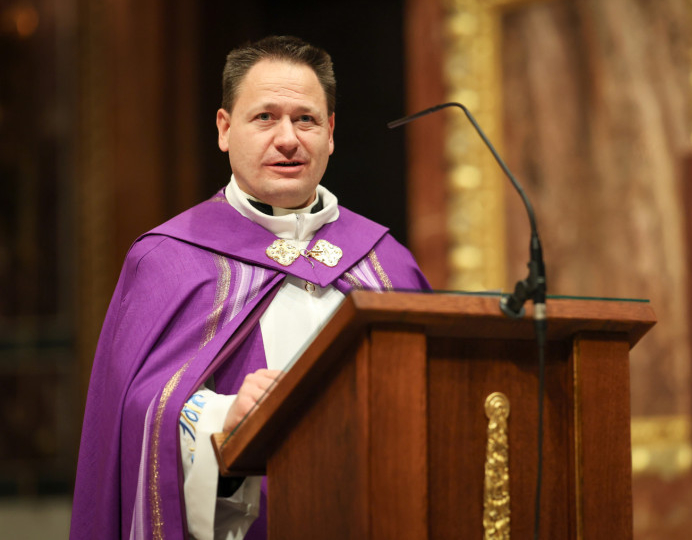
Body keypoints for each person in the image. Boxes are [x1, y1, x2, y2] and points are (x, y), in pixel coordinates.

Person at [70, 35, 430, 540]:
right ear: (224, 128)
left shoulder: (386, 262)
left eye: (305, 119)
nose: (288, 139)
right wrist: (223, 418)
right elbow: (130, 420)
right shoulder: (169, 260)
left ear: (330, 132)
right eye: (265, 117)